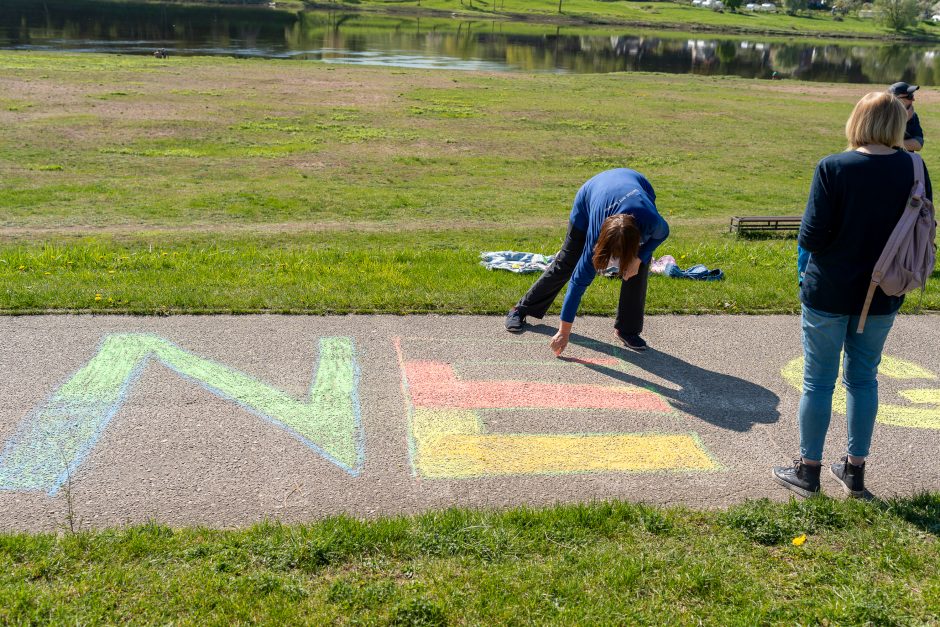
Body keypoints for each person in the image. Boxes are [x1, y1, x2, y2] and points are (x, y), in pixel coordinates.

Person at [773, 92, 932, 498]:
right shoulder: (915, 166)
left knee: (818, 382)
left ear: (857, 121)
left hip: (829, 290)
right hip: (885, 291)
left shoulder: (833, 167)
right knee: (863, 381)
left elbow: (811, 237)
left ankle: (809, 471)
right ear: (898, 124)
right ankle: (855, 470)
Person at [504, 168, 669, 356]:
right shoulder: (595, 237)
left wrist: (638, 258)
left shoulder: (652, 222)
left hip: (637, 185)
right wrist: (563, 332)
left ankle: (627, 329)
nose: (613, 264)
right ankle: (520, 309)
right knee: (567, 262)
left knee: (637, 268)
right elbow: (577, 283)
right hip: (589, 197)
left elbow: (663, 234)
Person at [888, 81, 924, 152]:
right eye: (909, 97)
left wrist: (890, 143)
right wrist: (903, 120)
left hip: (905, 160)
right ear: (896, 99)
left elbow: (919, 143)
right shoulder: (881, 116)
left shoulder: (913, 116)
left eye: (912, 95)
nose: (913, 99)